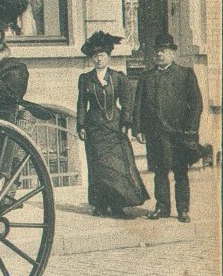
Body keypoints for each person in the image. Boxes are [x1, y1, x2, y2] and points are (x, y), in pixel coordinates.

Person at [76, 31, 148, 218]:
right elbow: (82, 104)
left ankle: (117, 205)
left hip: (115, 128)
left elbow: (128, 101)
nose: (99, 59)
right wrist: (81, 126)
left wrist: (125, 122)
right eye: (95, 56)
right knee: (98, 168)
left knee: (118, 168)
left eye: (102, 55)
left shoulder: (118, 77)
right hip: (94, 130)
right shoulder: (85, 79)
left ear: (108, 57)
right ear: (91, 59)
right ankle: (100, 205)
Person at [132, 33, 203, 223]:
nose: (159, 54)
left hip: (179, 134)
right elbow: (138, 104)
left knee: (180, 172)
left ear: (173, 54)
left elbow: (196, 104)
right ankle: (162, 207)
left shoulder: (185, 74)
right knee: (159, 171)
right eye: (157, 51)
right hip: (156, 133)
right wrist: (137, 129)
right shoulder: (146, 77)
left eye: (164, 51)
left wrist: (191, 130)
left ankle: (183, 210)